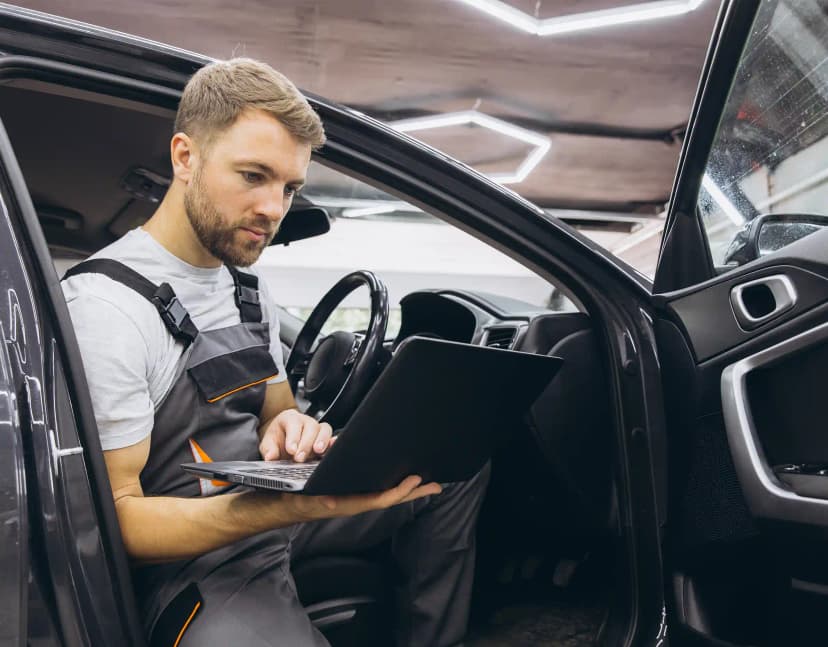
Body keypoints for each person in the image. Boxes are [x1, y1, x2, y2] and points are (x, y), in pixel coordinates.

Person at [61, 58, 489, 647]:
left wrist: (291, 428)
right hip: (193, 564)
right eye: (253, 175)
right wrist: (288, 509)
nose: (274, 208)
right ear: (185, 157)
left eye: (289, 187)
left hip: (271, 514)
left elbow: (276, 409)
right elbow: (118, 521)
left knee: (451, 472)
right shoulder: (108, 306)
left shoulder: (246, 286)